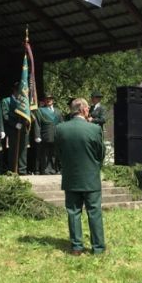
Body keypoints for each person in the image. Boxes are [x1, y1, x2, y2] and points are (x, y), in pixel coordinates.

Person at [54, 98, 106, 255]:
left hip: (70, 176)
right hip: (91, 177)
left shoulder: (60, 129)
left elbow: (58, 153)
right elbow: (101, 153)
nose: (89, 111)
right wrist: (94, 167)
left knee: (73, 212)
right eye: (88, 108)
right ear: (83, 109)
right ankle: (98, 248)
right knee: (94, 212)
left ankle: (76, 247)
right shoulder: (94, 129)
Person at [2, 82, 30, 174]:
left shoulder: (24, 101)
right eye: (18, 90)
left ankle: (22, 169)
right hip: (12, 129)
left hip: (23, 128)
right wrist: (14, 124)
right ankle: (12, 169)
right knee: (13, 150)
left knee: (23, 149)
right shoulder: (6, 101)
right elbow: (5, 115)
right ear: (14, 90)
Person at [34, 93, 62, 174]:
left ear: (53, 100)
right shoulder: (40, 110)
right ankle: (45, 170)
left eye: (50, 99)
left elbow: (61, 123)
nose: (48, 100)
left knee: (54, 154)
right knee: (45, 154)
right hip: (45, 135)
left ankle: (54, 169)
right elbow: (37, 124)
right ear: (44, 100)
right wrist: (37, 135)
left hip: (56, 135)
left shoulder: (58, 111)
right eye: (47, 99)